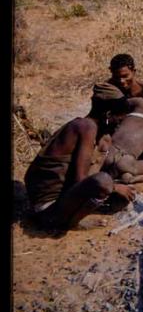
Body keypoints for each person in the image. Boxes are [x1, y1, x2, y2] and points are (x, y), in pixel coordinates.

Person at [24, 83, 136, 230]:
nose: (119, 125)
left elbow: (88, 176)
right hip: (47, 209)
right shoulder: (86, 127)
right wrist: (114, 186)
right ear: (108, 115)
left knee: (120, 200)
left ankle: (73, 215)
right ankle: (72, 224)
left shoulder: (99, 135)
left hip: (64, 199)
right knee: (104, 181)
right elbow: (82, 180)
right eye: (119, 120)